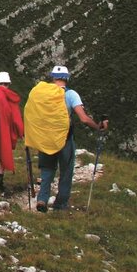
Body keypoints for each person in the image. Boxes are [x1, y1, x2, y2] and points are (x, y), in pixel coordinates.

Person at [35, 65, 108, 212]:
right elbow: (83, 118)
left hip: (46, 137)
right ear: (67, 78)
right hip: (64, 138)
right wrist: (97, 126)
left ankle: (42, 199)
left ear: (52, 77)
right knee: (66, 171)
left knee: (47, 169)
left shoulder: (42, 93)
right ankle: (60, 204)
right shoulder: (71, 94)